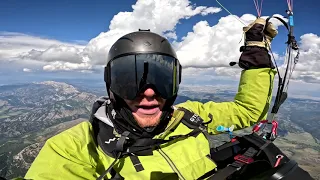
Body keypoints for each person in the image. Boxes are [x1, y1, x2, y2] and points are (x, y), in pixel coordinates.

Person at [22, 18, 295, 180]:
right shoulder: (75, 147)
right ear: (112, 86)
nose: (149, 92)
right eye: (130, 81)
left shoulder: (191, 117)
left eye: (161, 80)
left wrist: (256, 54)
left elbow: (247, 110)